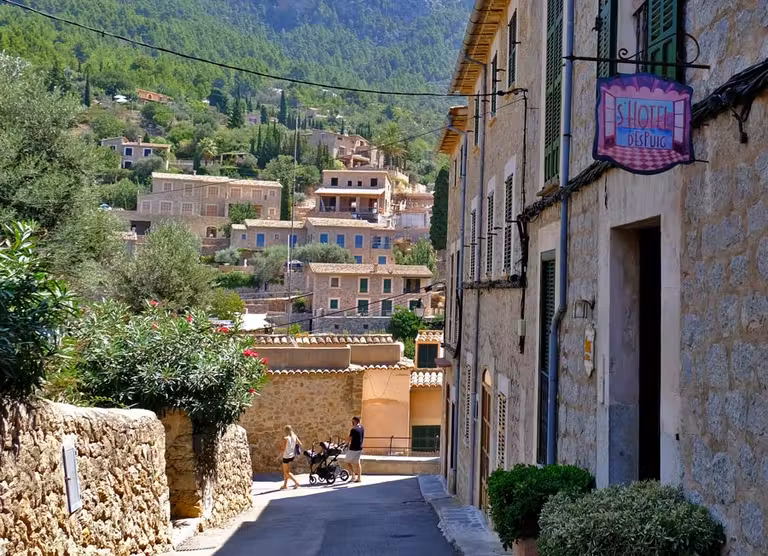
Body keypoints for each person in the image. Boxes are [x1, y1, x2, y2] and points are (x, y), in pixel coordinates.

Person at [279, 425, 301, 490]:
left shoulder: (286, 438)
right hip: (292, 456)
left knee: (286, 472)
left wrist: (279, 455)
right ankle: (285, 485)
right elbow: (300, 444)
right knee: (287, 471)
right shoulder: (295, 436)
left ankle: (296, 482)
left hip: (286, 456)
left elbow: (283, 448)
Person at [345, 416, 364, 483]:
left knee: (347, 461)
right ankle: (359, 478)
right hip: (360, 448)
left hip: (353, 448)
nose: (352, 423)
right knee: (358, 463)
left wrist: (345, 443)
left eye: (353, 421)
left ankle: (353, 476)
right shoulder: (362, 428)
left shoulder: (353, 430)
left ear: (355, 421)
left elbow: (349, 438)